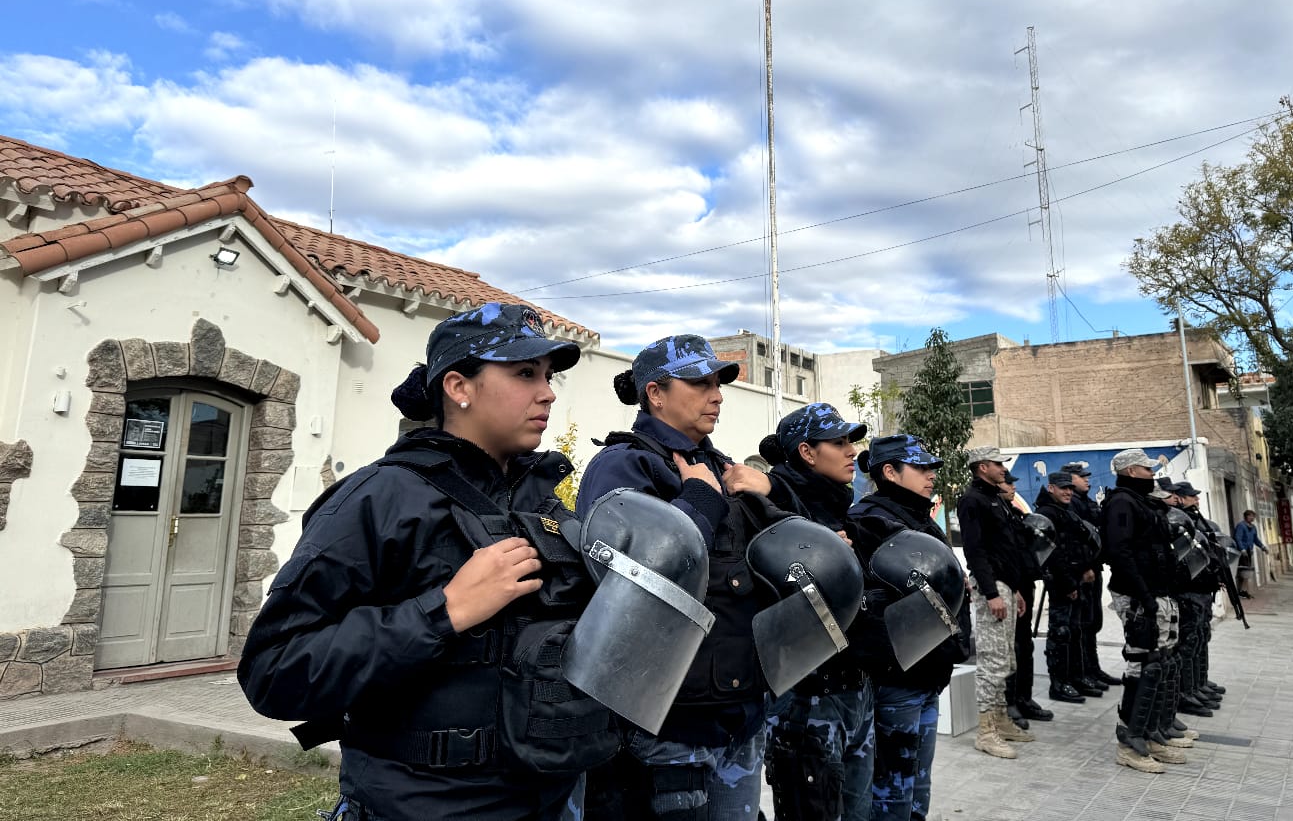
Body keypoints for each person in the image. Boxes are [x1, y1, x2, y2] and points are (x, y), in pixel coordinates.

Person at [238, 303, 592, 820]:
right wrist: (444, 611)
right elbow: (275, 671)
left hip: (551, 799)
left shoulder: (541, 502)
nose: (547, 392)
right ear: (459, 387)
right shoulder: (379, 498)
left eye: (547, 375)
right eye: (523, 373)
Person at [576, 334, 780, 821]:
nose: (717, 394)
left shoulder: (722, 464)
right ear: (655, 393)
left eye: (718, 383)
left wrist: (771, 493)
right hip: (670, 725)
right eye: (699, 383)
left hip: (738, 712)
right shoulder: (623, 465)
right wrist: (700, 502)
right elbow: (627, 578)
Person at [758, 403, 875, 821]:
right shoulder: (771, 510)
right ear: (807, 452)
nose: (851, 451)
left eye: (852, 441)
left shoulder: (843, 508)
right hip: (807, 699)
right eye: (839, 442)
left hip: (855, 688)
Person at [846, 435, 964, 821]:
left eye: (932, 467)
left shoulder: (918, 518)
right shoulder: (869, 521)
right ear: (890, 472)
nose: (931, 475)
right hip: (898, 679)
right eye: (921, 468)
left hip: (930, 674)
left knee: (917, 787)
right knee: (891, 790)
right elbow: (869, 606)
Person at [1101, 449, 1195, 774]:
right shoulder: (1121, 503)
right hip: (1139, 596)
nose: (1150, 472)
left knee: (1162, 662)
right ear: (1130, 471)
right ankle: (1130, 742)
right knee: (1144, 665)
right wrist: (1144, 595)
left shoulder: (1141, 502)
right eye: (1145, 468)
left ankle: (1152, 733)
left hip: (1157, 592)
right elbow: (1119, 552)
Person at [955, 446, 1034, 760]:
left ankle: (1001, 719)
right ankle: (986, 731)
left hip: (1005, 586)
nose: (1004, 469)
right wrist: (991, 593)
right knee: (991, 661)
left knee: (1007, 658)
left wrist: (1012, 589)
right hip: (991, 588)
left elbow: (1004, 550)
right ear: (982, 466)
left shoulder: (996, 499)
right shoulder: (972, 500)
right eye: (999, 464)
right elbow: (975, 552)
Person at [997, 473, 1061, 724]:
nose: (1013, 486)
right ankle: (1010, 702)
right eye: (1007, 482)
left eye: (1014, 482)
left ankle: (1024, 698)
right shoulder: (994, 512)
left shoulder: (1012, 513)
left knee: (1025, 645)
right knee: (1012, 647)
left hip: (1023, 584)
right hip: (1010, 585)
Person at [1034, 472, 1100, 705]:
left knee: (1075, 632)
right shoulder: (1047, 514)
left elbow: (1077, 546)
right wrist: (1068, 583)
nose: (1068, 492)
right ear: (1050, 488)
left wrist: (1085, 568)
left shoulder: (1066, 512)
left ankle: (1075, 678)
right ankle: (1059, 684)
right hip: (1063, 583)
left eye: (1070, 488)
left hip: (1076, 580)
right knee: (1060, 635)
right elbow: (1054, 554)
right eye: (1063, 488)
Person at [1173, 482, 1228, 713]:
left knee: (1200, 637)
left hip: (1203, 589)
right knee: (1188, 642)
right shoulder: (1179, 522)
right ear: (1179, 498)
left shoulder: (1196, 521)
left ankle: (1198, 684)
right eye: (1191, 497)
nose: (1196, 501)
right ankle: (1186, 691)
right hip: (1189, 589)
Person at [1065, 463, 1116, 689]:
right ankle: (1083, 671)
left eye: (1087, 476)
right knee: (1083, 624)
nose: (1087, 480)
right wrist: (1085, 567)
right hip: (1082, 571)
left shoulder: (1086, 501)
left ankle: (1093, 668)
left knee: (1092, 622)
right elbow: (1075, 539)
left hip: (1094, 568)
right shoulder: (1072, 503)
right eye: (1081, 476)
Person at [1233, 510, 1269, 598]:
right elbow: (1238, 538)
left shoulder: (1253, 527)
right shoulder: (1241, 526)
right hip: (1242, 552)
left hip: (1249, 551)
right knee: (1243, 572)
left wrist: (1263, 547)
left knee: (1247, 572)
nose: (1252, 518)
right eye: (1251, 516)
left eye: (1253, 516)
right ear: (1246, 516)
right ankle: (1241, 591)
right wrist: (1242, 549)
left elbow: (1255, 539)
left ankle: (1244, 590)